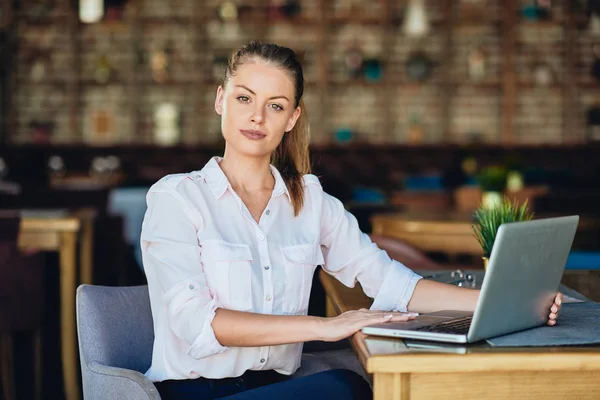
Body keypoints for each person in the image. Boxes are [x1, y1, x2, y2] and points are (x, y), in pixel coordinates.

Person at [140, 40, 563, 400]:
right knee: (348, 388)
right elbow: (197, 323)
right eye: (244, 98)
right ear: (220, 100)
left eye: (276, 105)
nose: (257, 117)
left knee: (367, 383)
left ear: (292, 119)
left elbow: (391, 283)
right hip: (195, 390)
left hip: (278, 386)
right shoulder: (177, 198)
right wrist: (326, 327)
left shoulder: (311, 200)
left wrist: (505, 301)